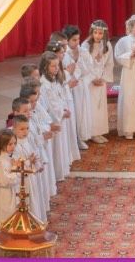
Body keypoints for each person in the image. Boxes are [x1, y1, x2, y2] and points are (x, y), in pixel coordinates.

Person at [38, 50, 74, 179]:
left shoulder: (54, 80)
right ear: (45, 67)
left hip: (61, 117)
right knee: (56, 149)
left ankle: (62, 170)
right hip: (54, 121)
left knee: (61, 146)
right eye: (53, 66)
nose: (56, 68)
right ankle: (56, 174)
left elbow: (60, 97)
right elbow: (48, 105)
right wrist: (61, 113)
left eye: (58, 65)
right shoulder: (43, 85)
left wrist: (64, 109)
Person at [82, 20, 114, 144]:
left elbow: (109, 64)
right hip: (90, 82)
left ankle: (99, 131)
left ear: (104, 34)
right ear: (91, 32)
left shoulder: (107, 45)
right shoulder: (86, 45)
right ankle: (91, 132)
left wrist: (103, 78)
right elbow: (84, 65)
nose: (97, 36)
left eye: (100, 33)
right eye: (95, 33)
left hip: (100, 80)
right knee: (92, 107)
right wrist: (92, 78)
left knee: (100, 106)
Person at [63, 25, 93, 150]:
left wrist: (79, 65)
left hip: (80, 86)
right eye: (74, 40)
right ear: (67, 40)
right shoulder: (63, 54)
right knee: (72, 113)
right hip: (69, 87)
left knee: (81, 113)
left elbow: (88, 69)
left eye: (78, 39)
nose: (77, 42)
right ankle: (72, 139)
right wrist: (70, 74)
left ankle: (80, 138)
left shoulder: (83, 52)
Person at [11, 115, 46, 222]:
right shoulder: (14, 145)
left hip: (31, 177)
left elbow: (35, 154)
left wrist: (38, 165)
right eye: (22, 129)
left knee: (34, 199)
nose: (25, 132)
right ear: (14, 129)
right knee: (27, 201)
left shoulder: (27, 140)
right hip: (22, 180)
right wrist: (29, 161)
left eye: (27, 128)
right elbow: (15, 165)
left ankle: (36, 221)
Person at [0, 129, 19, 233]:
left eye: (14, 143)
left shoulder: (7, 158)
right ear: (2, 144)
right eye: (10, 144)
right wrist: (15, 168)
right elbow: (5, 181)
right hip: (3, 196)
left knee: (13, 220)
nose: (13, 146)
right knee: (5, 220)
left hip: (10, 193)